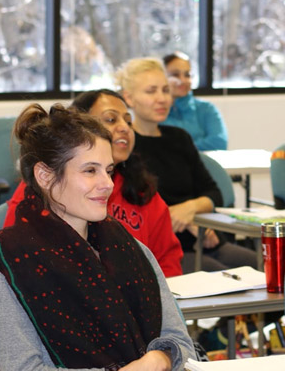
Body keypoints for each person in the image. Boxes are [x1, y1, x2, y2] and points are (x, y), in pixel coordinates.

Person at [0, 104, 195, 370]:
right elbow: (22, 367)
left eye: (108, 170)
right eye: (90, 171)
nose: (107, 183)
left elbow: (182, 345)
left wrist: (158, 359)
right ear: (45, 176)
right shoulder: (12, 259)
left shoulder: (132, 249)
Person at [115, 57, 257, 273]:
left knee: (267, 267)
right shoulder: (125, 145)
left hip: (205, 238)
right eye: (151, 91)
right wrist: (174, 216)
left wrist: (189, 209)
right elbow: (133, 206)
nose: (161, 98)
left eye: (165, 90)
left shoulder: (180, 138)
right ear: (129, 97)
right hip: (164, 249)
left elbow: (214, 193)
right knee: (225, 278)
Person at [71, 89, 183, 277]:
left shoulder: (142, 190)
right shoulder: (51, 183)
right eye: (111, 120)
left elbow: (167, 262)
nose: (124, 128)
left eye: (128, 122)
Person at [160, 51, 228, 151]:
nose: (183, 80)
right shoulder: (157, 112)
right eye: (175, 75)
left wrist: (179, 149)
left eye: (187, 75)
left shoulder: (207, 109)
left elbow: (219, 142)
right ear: (162, 77)